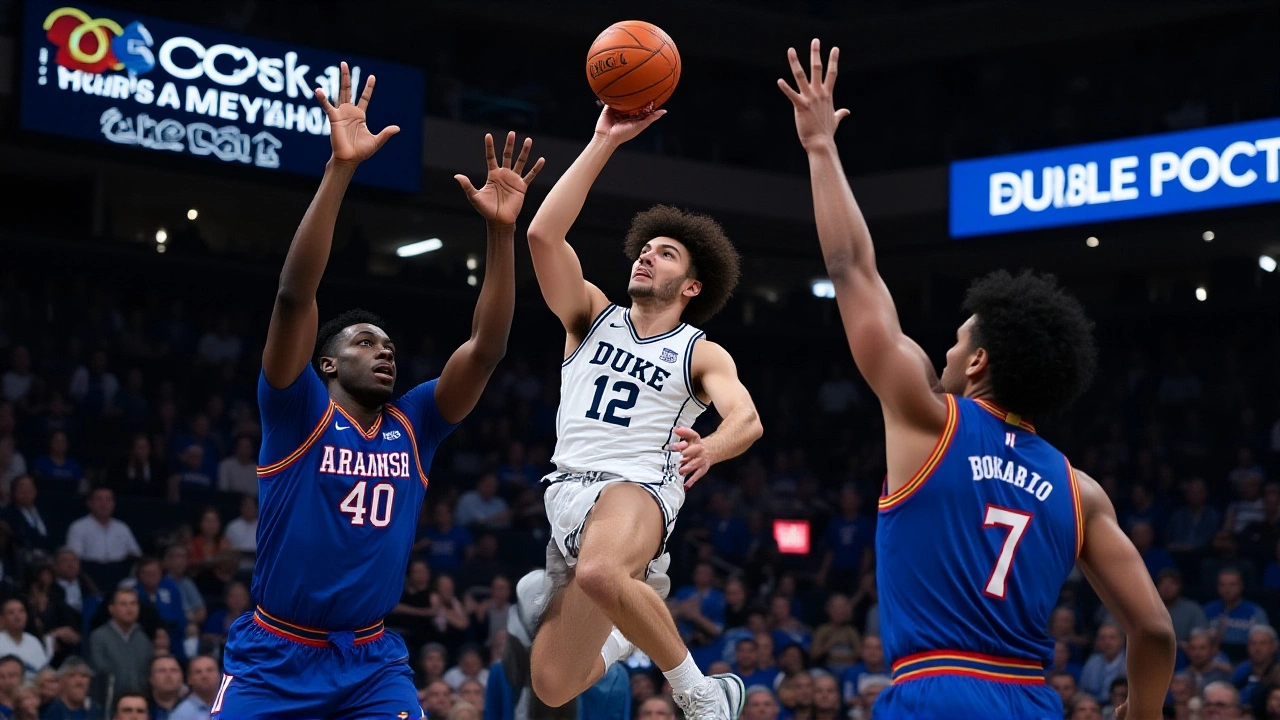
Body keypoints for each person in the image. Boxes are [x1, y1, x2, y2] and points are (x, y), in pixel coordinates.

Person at [779, 38, 1175, 720]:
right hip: (1031, 700)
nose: (947, 348)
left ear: (982, 362)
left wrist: (820, 148)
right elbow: (1157, 632)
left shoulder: (928, 418)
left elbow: (850, 270)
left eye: (959, 339)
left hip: (934, 689)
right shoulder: (1082, 493)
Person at [212, 62, 543, 720]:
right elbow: (292, 295)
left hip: (369, 663)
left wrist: (501, 235)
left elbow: (486, 349)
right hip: (275, 656)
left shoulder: (415, 420)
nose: (383, 349)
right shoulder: (296, 407)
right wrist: (340, 170)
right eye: (363, 342)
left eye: (388, 344)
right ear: (326, 364)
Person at [518, 96, 762, 720]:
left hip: (639, 488)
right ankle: (631, 628)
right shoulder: (590, 316)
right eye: (644, 247)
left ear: (692, 286)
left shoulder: (697, 350)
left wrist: (712, 445)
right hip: (568, 496)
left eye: (666, 253)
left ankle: (702, 696)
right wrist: (604, 140)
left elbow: (746, 418)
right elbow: (543, 235)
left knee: (601, 574)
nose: (646, 255)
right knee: (551, 684)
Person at [88, 589, 152, 702]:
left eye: (133, 604)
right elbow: (101, 671)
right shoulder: (98, 637)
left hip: (139, 702)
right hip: (108, 703)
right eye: (123, 604)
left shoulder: (143, 638)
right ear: (111, 609)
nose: (130, 609)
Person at [169, 655, 220, 720]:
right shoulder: (181, 714)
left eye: (209, 670)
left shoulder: (231, 706)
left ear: (219, 675)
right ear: (189, 679)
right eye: (198, 672)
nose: (205, 676)